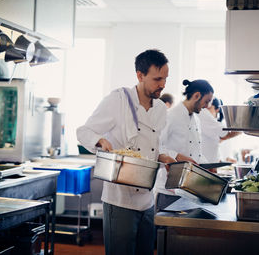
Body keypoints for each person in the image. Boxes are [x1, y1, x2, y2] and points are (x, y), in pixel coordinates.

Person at [76, 49, 175, 255]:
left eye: (165, 78)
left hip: (148, 199)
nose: (163, 84)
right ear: (140, 76)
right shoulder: (118, 100)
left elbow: (155, 145)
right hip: (119, 200)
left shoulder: (160, 110)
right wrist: (100, 140)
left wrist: (163, 155)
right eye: (157, 79)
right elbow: (84, 132)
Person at [154, 79, 214, 211]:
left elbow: (195, 152)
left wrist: (208, 167)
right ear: (197, 95)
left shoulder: (196, 119)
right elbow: (155, 146)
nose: (207, 106)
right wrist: (177, 156)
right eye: (206, 101)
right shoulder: (170, 116)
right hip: (168, 192)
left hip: (188, 190)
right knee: (165, 230)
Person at [198, 97, 240, 163]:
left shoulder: (215, 123)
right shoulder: (203, 114)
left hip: (210, 162)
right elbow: (226, 135)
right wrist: (243, 126)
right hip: (205, 163)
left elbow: (214, 143)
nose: (206, 108)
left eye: (209, 107)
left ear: (217, 109)